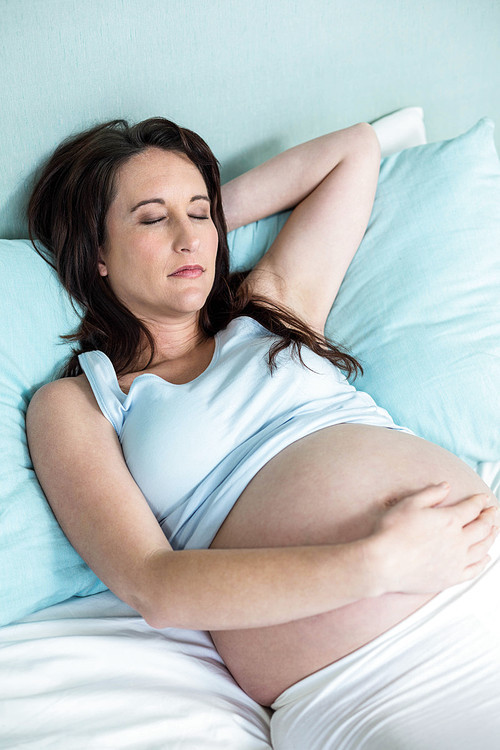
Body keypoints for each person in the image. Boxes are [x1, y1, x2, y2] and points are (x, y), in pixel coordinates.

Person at [26, 117, 500, 749]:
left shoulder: (270, 309)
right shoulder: (77, 403)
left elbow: (352, 152)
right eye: (149, 219)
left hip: (480, 584)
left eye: (199, 214)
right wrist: (376, 563)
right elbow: (153, 584)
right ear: (97, 253)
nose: (187, 239)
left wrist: (203, 223)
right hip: (365, 681)